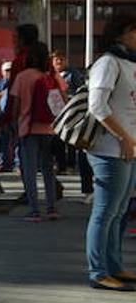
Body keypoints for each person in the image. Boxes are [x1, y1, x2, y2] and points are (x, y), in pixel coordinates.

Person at [84, 13, 136, 291]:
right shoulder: (108, 62)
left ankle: (114, 266)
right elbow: (97, 105)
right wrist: (123, 137)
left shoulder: (129, 63)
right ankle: (98, 271)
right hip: (109, 149)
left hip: (128, 148)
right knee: (105, 211)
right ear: (120, 35)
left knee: (119, 211)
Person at [10, 40, 61, 221]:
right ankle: (51, 207)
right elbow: (63, 99)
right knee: (48, 169)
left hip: (28, 128)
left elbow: (15, 104)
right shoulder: (52, 77)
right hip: (50, 129)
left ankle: (34, 209)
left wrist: (14, 123)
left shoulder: (22, 77)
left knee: (29, 170)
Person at [51, 50, 93, 195]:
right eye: (56, 59)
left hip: (74, 111)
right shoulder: (51, 76)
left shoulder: (72, 74)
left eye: (61, 59)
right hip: (64, 113)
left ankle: (69, 165)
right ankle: (64, 166)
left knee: (75, 146)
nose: (59, 62)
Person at [0, 61, 16, 171]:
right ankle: (3, 164)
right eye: (7, 71)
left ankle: (18, 165)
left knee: (17, 141)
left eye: (11, 70)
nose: (9, 73)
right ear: (2, 72)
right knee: (1, 141)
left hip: (15, 116)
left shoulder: (18, 83)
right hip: (1, 116)